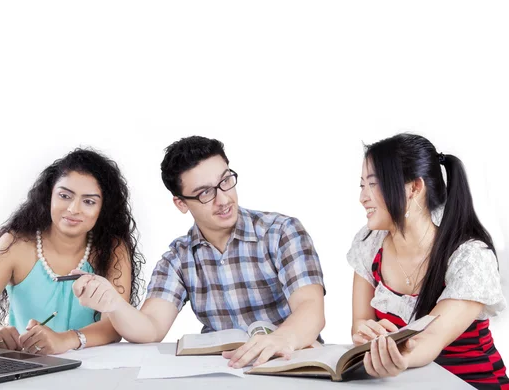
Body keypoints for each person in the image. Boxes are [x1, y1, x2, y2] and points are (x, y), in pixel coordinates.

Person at [72, 136, 325, 368]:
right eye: (205, 193)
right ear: (181, 203)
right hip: (223, 372)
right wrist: (114, 304)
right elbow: (151, 328)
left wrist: (281, 340)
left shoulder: (281, 231)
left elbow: (311, 308)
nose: (223, 199)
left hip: (289, 363)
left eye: (225, 181)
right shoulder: (179, 257)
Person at [348, 133, 509, 389]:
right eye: (361, 186)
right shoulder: (369, 245)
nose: (362, 198)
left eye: (373, 184)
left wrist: (398, 356)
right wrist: (365, 333)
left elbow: (431, 338)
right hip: (406, 384)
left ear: (414, 188)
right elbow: (360, 322)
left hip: (472, 384)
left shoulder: (469, 256)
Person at [0, 148, 144, 355]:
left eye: (89, 201)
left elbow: (113, 326)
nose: (73, 209)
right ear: (49, 196)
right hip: (26, 366)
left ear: (103, 209)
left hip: (93, 370)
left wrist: (64, 340)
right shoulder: (14, 244)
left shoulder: (113, 249)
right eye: (65, 196)